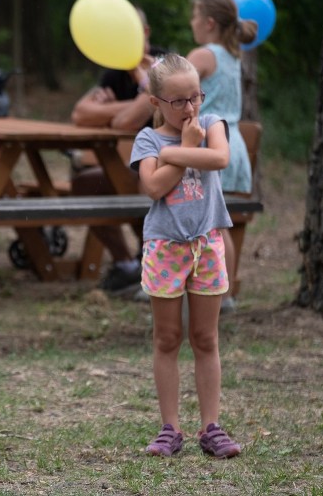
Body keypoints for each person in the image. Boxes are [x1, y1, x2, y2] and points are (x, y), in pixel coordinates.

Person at [131, 54, 241, 458]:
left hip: (206, 245)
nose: (190, 108)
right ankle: (169, 429)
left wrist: (177, 152)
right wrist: (184, 148)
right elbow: (154, 187)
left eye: (195, 97)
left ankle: (211, 427)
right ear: (155, 102)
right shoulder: (147, 140)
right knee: (168, 338)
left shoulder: (211, 126)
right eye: (178, 101)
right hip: (165, 247)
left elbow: (220, 159)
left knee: (206, 337)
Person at [70, 6, 159, 297]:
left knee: (140, 187)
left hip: (166, 170)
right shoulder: (116, 71)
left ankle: (154, 266)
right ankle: (126, 266)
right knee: (84, 185)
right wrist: (133, 103)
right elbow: (81, 113)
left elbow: (125, 122)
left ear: (144, 33)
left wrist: (107, 110)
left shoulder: (163, 67)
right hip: (130, 165)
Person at [186, 0, 258, 314]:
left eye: (195, 15)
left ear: (210, 23)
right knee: (217, 224)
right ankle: (221, 292)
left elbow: (170, 85)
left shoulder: (203, 55)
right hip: (232, 145)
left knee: (211, 226)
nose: (192, 22)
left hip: (207, 145)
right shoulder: (233, 55)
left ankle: (219, 293)